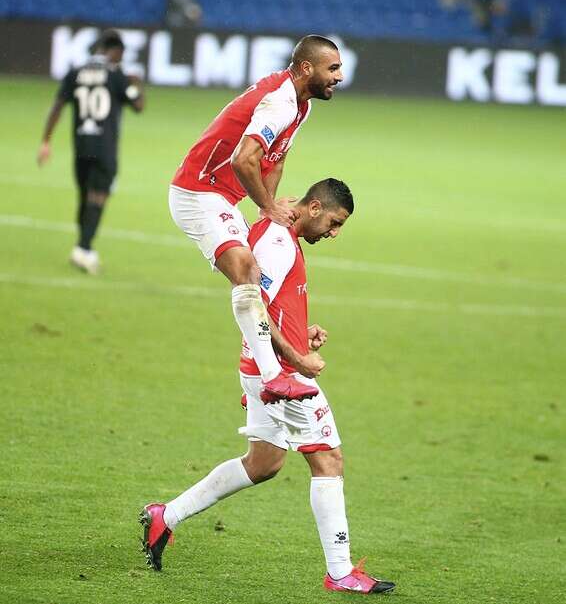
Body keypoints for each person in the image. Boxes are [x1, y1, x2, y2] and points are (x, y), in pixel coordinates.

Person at [141, 178, 396, 594]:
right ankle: (341, 572)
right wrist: (298, 356)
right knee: (328, 459)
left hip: (261, 367)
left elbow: (268, 309)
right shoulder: (278, 243)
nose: (334, 233)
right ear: (314, 207)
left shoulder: (279, 234)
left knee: (263, 463)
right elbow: (252, 307)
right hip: (280, 374)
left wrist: (299, 333)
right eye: (334, 222)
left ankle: (164, 516)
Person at [169, 35, 343, 404]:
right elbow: (243, 159)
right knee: (247, 270)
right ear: (306, 68)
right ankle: (270, 375)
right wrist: (267, 206)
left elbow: (274, 159)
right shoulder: (279, 102)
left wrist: (267, 209)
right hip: (198, 191)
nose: (339, 76)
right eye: (332, 68)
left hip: (221, 197)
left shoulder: (300, 107)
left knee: (259, 278)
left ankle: (260, 375)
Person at [37, 29, 144, 274]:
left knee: (85, 196)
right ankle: (83, 248)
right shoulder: (115, 75)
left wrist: (45, 141)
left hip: (81, 146)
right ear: (116, 51)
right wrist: (136, 83)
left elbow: (57, 106)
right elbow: (138, 105)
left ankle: (83, 246)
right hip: (105, 148)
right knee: (98, 197)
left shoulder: (75, 72)